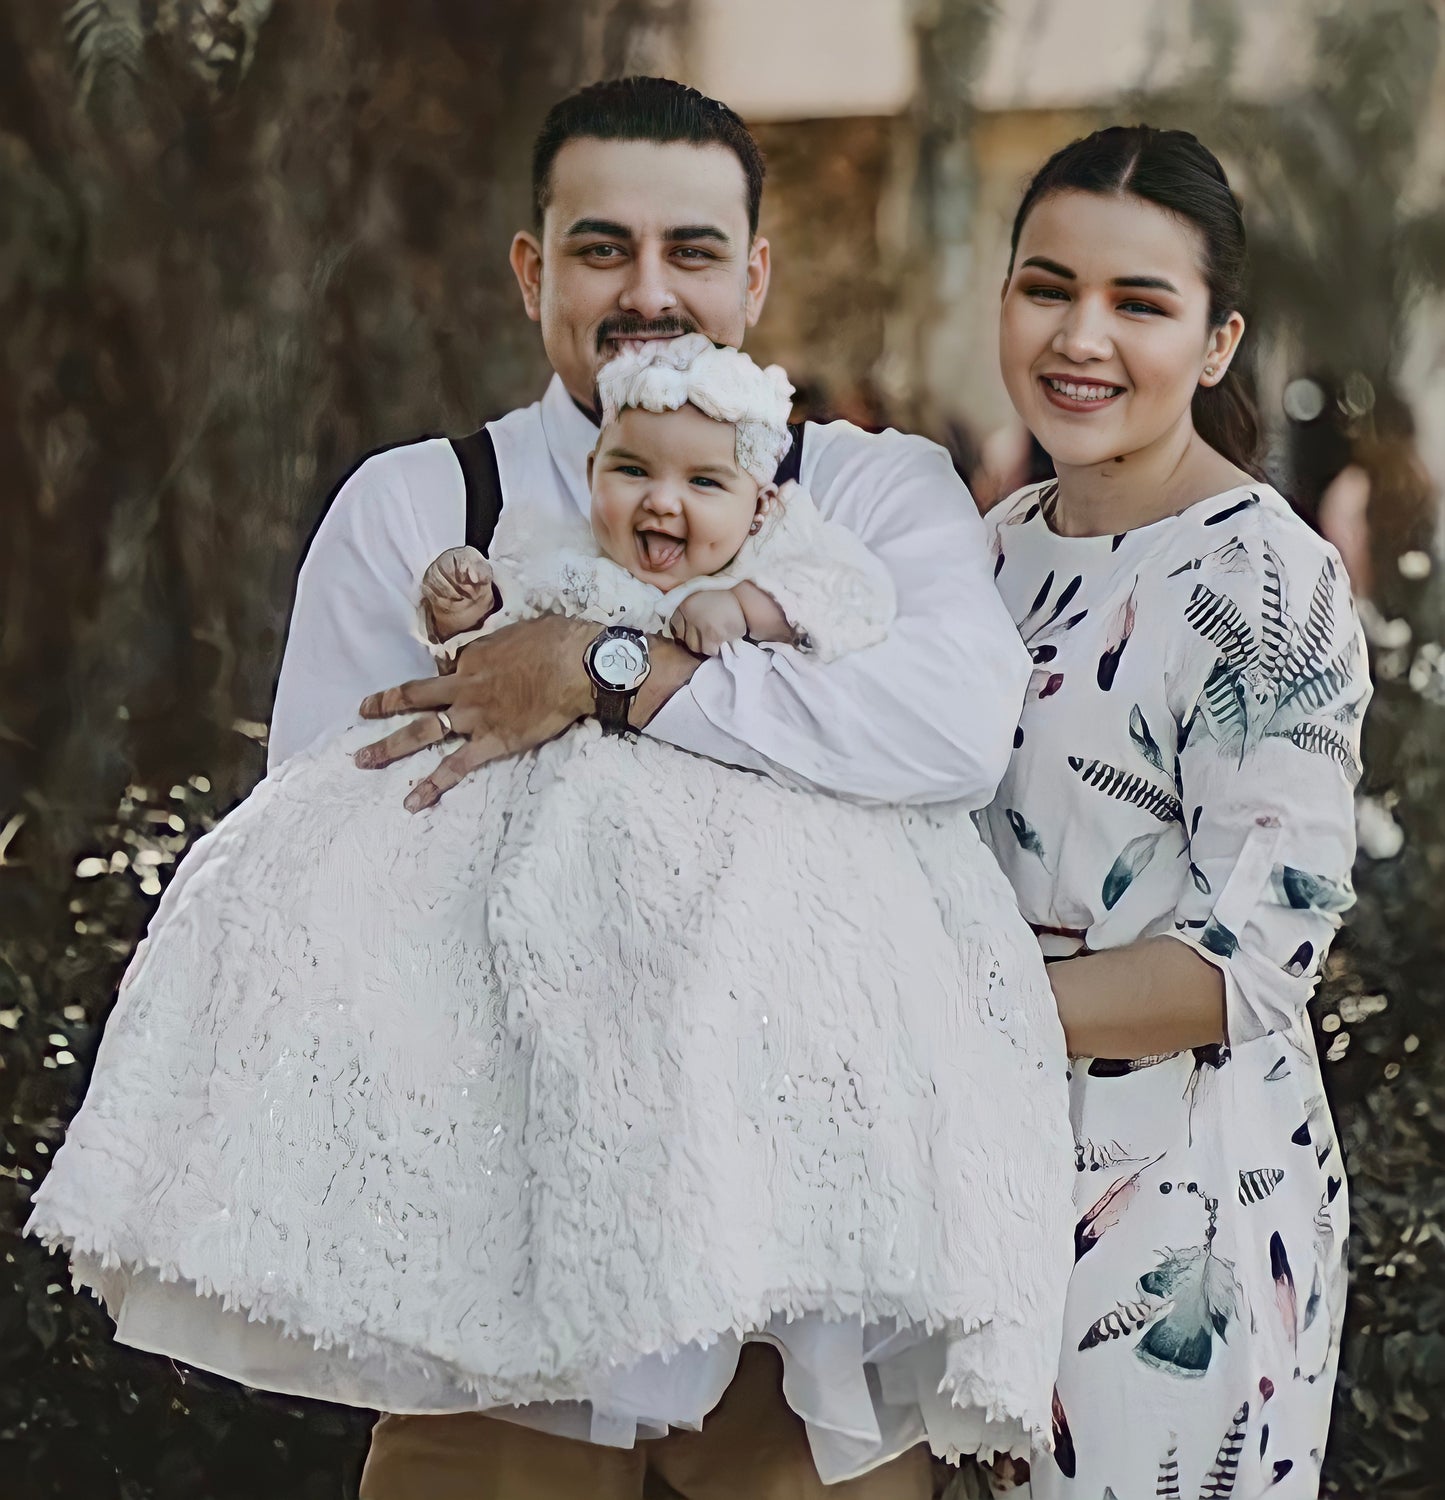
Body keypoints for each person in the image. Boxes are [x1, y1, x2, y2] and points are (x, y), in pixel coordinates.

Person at [29, 336, 1075, 1500]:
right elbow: (482, 647)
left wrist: (735, 613)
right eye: (630, 472)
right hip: (562, 895)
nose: (660, 504)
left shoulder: (802, 551)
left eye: (700, 485)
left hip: (732, 937)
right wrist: (465, 604)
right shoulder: (549, 549)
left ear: (758, 499)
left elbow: (864, 633)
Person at [976, 126, 1370, 1500]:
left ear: (1216, 343)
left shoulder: (1271, 582)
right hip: (970, 1188)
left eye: (1139, 302)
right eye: (1048, 285)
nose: (1081, 336)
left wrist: (947, 1005)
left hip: (1174, 1231)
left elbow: (1250, 960)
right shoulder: (990, 550)